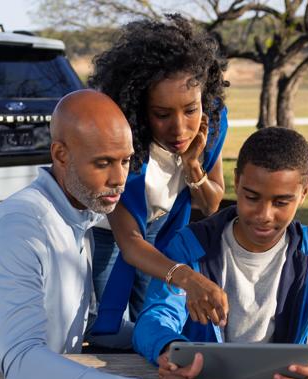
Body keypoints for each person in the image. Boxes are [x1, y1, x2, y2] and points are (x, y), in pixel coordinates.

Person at [0, 89, 223, 379]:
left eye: (126, 161)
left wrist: (168, 346)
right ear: (61, 154)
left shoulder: (79, 212)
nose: (119, 179)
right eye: (103, 163)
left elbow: (85, 326)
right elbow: (21, 360)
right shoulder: (22, 225)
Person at [132, 127, 308, 379]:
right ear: (236, 182)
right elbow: (153, 318)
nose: (264, 215)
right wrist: (169, 349)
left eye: (281, 202)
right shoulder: (190, 245)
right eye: (252, 197)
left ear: (304, 192)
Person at [85, 14, 232, 349]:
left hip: (160, 226)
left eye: (190, 110)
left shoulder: (211, 125)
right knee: (109, 331)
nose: (180, 129)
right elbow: (130, 242)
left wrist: (193, 166)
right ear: (138, 109)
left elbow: (209, 203)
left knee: (152, 317)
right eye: (162, 115)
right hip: (107, 235)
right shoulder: (123, 141)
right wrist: (186, 276)